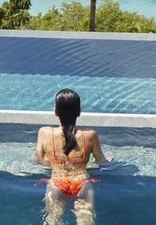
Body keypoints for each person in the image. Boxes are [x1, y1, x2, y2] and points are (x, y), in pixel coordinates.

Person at [35, 88, 105, 225]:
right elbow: (100, 161)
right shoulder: (90, 135)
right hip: (81, 181)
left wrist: (52, 163)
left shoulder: (43, 133)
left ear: (55, 112)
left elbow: (39, 160)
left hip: (56, 181)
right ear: (79, 112)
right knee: (86, 219)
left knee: (52, 219)